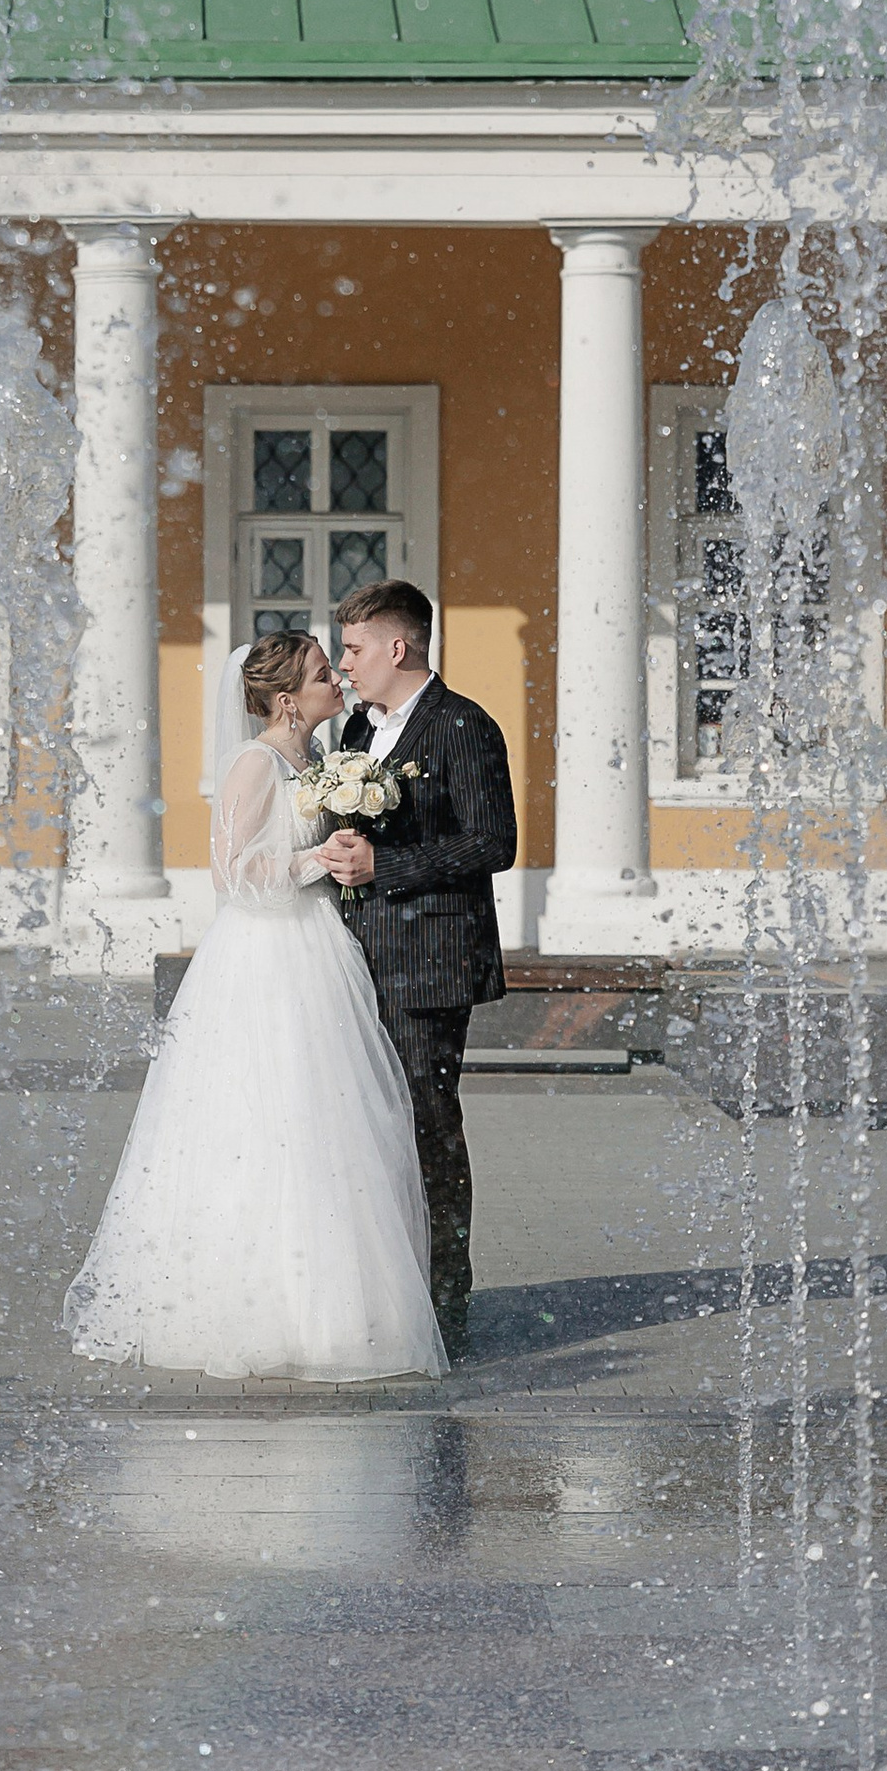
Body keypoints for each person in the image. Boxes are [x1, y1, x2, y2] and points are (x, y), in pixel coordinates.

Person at [63, 630, 445, 1383]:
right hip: (263, 958)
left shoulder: (319, 759)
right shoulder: (254, 762)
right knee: (261, 1120)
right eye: (318, 672)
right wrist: (315, 858)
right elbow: (232, 874)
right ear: (285, 700)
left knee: (325, 1122)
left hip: (318, 949)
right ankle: (251, 1299)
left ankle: (332, 1301)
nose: (335, 677)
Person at [315, 579, 517, 1356]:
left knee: (427, 1126)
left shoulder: (464, 725)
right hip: (358, 957)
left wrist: (386, 865)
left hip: (430, 961)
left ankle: (445, 1301)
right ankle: (389, 1285)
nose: (346, 663)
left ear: (399, 646)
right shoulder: (358, 735)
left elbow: (492, 842)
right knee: (372, 1127)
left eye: (356, 647)